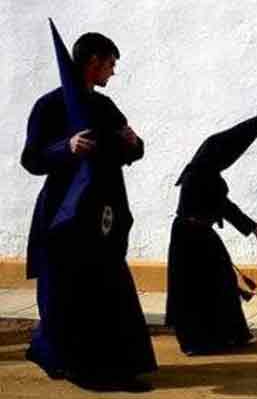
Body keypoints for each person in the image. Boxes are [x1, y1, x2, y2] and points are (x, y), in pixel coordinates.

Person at [21, 20, 156, 391]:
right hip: (65, 213)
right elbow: (31, 159)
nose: (114, 71)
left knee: (109, 286)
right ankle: (73, 361)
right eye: (111, 63)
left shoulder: (105, 105)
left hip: (105, 213)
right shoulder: (50, 105)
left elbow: (131, 150)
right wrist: (65, 148)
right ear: (94, 61)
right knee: (69, 290)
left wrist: (133, 143)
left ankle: (119, 363)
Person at [166, 97, 257, 355]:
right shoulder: (196, 176)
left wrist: (250, 226)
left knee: (222, 282)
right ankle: (195, 341)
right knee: (193, 290)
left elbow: (224, 205)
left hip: (203, 235)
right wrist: (247, 225)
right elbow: (221, 205)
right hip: (188, 239)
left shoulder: (209, 176)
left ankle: (229, 334)